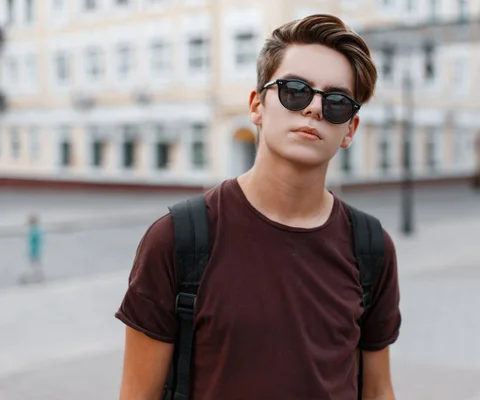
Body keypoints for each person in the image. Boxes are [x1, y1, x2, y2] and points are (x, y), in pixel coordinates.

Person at [116, 14, 401, 400]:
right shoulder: (178, 239)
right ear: (257, 106)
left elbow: (379, 391)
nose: (314, 109)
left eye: (336, 102)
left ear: (350, 129)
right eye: (295, 90)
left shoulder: (370, 247)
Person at [20, 213, 44, 284]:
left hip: (34, 250)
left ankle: (36, 277)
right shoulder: (34, 229)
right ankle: (37, 276)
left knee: (34, 264)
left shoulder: (35, 230)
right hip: (33, 250)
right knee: (34, 264)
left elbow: (34, 241)